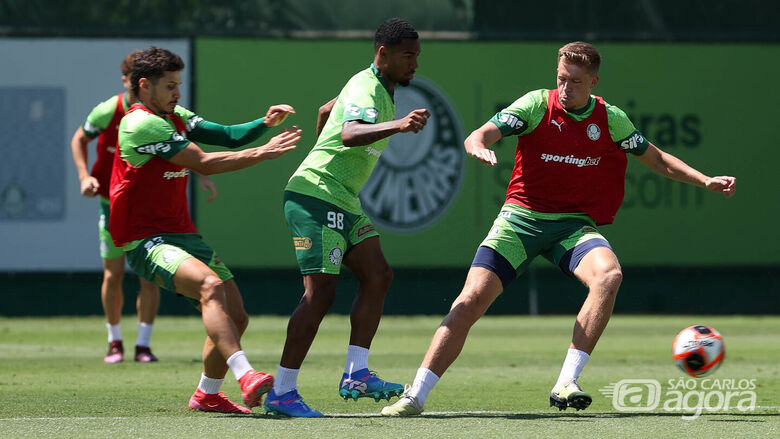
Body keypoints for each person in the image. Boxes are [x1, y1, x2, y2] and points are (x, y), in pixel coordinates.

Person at [381, 41, 737, 416]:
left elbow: (658, 159)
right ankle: (415, 396)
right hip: (521, 221)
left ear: (594, 82)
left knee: (609, 276)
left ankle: (566, 381)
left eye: (576, 82)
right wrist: (478, 146)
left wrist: (705, 181)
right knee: (468, 302)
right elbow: (479, 134)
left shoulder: (610, 119)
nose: (566, 88)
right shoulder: (536, 105)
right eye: (561, 79)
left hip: (572, 227)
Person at [111, 46, 301, 413]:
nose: (177, 93)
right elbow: (204, 163)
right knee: (209, 286)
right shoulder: (140, 122)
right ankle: (245, 375)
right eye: (170, 86)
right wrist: (265, 152)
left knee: (237, 315)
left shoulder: (172, 113)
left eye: (178, 85)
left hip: (182, 233)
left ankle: (207, 394)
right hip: (146, 239)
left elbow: (226, 136)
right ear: (144, 86)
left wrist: (264, 124)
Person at [264, 18, 431, 417]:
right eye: (407, 56)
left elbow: (328, 111)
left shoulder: (382, 89)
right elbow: (350, 133)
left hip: (342, 199)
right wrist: (399, 125)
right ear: (383, 54)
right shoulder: (366, 85)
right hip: (315, 196)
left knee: (379, 275)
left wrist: (323, 136)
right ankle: (282, 392)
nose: (414, 64)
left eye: (417, 56)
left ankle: (356, 372)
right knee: (319, 292)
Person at [71, 50, 218, 363]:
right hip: (112, 206)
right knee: (113, 275)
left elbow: (181, 147)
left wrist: (202, 170)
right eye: (125, 79)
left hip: (148, 213)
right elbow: (79, 139)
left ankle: (143, 344)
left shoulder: (162, 114)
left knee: (149, 277)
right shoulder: (110, 111)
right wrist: (84, 176)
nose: (128, 85)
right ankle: (114, 342)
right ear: (133, 82)